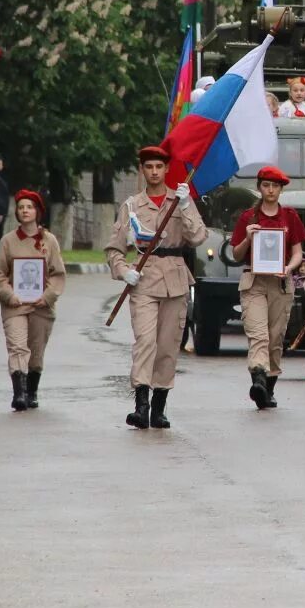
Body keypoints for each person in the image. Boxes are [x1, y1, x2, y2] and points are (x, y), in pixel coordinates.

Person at [109, 145, 205, 431]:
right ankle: (141, 405)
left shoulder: (180, 200)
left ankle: (159, 406)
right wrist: (124, 271)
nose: (154, 172)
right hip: (144, 278)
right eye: (148, 167)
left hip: (175, 277)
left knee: (167, 345)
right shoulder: (131, 206)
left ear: (166, 170)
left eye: (158, 167)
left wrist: (186, 207)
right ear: (142, 170)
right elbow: (114, 248)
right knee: (145, 341)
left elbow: (198, 236)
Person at [228, 165, 305, 410]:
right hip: (254, 281)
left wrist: (289, 268)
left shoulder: (290, 216)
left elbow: (297, 253)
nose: (270, 190)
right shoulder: (248, 218)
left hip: (281, 283)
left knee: (275, 338)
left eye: (275, 186)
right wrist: (248, 238)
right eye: (266, 185)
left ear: (281, 189)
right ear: (259, 188)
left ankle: (268, 387)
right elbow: (237, 254)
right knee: (258, 334)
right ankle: (258, 380)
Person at [0, 188, 66, 411]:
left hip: (41, 306)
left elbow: (57, 273)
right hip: (15, 305)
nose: (25, 211)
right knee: (17, 347)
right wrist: (9, 295)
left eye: (29, 207)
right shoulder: (8, 241)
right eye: (21, 207)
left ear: (37, 211)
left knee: (35, 351)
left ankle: (31, 391)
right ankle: (19, 394)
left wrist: (47, 297)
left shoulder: (49, 240)